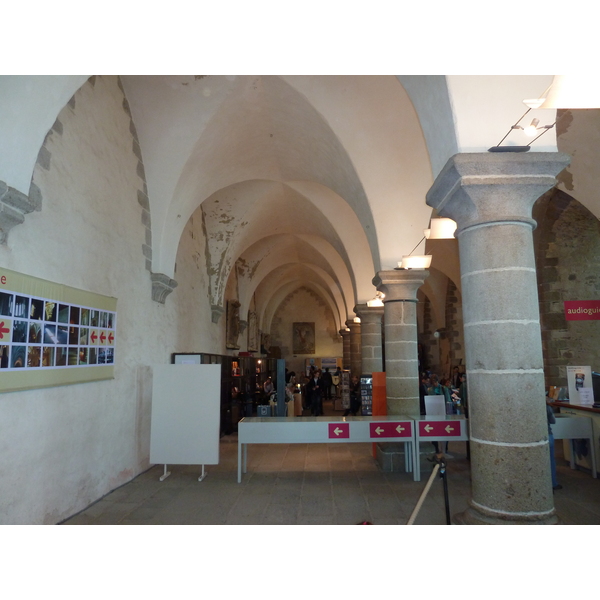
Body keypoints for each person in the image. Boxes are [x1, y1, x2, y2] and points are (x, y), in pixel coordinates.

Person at [547, 399, 562, 490]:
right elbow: (553, 421)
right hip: (547, 434)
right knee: (551, 460)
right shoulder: (546, 406)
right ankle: (553, 483)